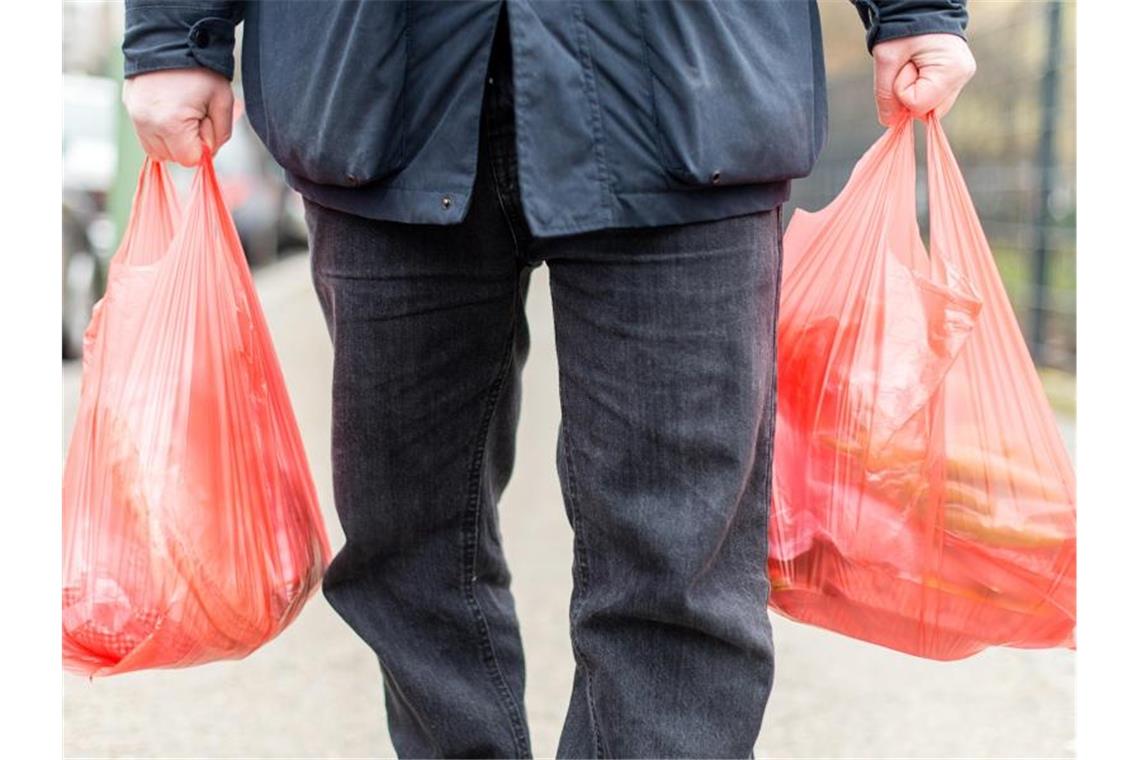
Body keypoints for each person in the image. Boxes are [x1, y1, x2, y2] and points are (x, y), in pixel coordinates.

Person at [121, 1, 975, 757]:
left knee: (677, 559)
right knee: (405, 544)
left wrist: (916, 6)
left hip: (684, 84)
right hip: (382, 86)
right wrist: (172, 29)